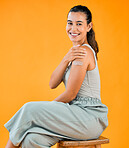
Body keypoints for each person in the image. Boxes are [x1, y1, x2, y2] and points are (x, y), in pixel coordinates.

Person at [4, 5, 108, 148]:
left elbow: (71, 94)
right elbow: (52, 83)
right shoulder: (74, 53)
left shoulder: (83, 53)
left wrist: (45, 109)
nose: (73, 28)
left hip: (88, 118)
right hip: (73, 116)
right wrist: (65, 59)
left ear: (89, 26)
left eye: (79, 24)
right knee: (32, 139)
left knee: (30, 109)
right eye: (70, 23)